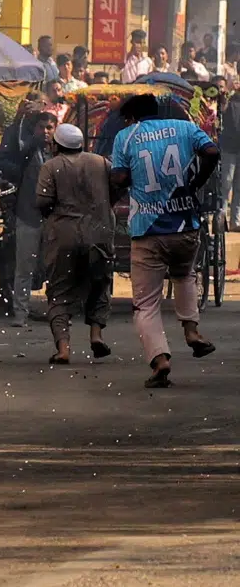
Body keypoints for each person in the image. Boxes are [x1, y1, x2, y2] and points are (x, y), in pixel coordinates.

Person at [110, 93, 221, 387]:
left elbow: (119, 179)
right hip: (185, 225)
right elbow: (212, 153)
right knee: (185, 275)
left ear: (131, 117)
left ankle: (160, 360)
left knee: (146, 303)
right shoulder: (185, 128)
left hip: (147, 230)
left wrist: (126, 178)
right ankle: (192, 331)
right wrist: (196, 183)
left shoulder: (125, 136)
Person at [36, 123, 114, 364]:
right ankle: (96, 335)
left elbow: (42, 201)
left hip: (63, 236)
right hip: (98, 233)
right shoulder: (101, 163)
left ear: (56, 145)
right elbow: (118, 188)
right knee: (99, 285)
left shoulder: (51, 166)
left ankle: (63, 348)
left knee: (59, 290)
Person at [12, 109, 57, 325]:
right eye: (42, 127)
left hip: (53, 219)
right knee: (24, 268)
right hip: (28, 215)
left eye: (49, 128)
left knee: (54, 268)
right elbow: (16, 148)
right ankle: (20, 313)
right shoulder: (28, 150)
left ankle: (55, 312)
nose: (45, 131)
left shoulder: (59, 153)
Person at [221, 82, 240, 225]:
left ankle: (235, 220)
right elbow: (222, 109)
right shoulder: (230, 99)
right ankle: (221, 217)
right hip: (229, 147)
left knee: (238, 186)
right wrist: (227, 92)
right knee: (226, 183)